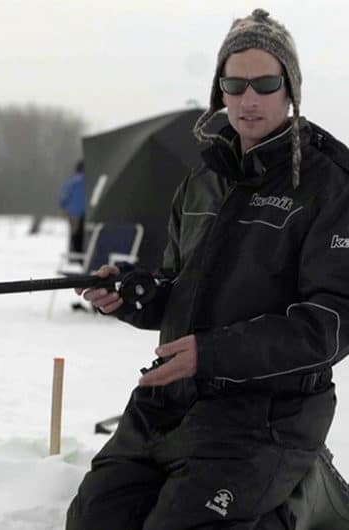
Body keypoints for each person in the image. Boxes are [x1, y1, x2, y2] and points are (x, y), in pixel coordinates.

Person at [66, 9, 349, 530]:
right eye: (233, 84)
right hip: (169, 402)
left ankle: (306, 493)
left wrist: (211, 353)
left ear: (290, 90)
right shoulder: (201, 181)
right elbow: (179, 283)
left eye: (265, 83)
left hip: (268, 413)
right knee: (91, 518)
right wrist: (136, 294)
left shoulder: (329, 185)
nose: (248, 99)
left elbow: (330, 324)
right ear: (219, 90)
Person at [59, 160, 86, 257]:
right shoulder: (90, 180)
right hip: (86, 213)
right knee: (84, 234)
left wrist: (63, 207)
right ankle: (83, 254)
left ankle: (74, 255)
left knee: (74, 234)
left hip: (73, 213)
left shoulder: (73, 181)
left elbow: (64, 197)